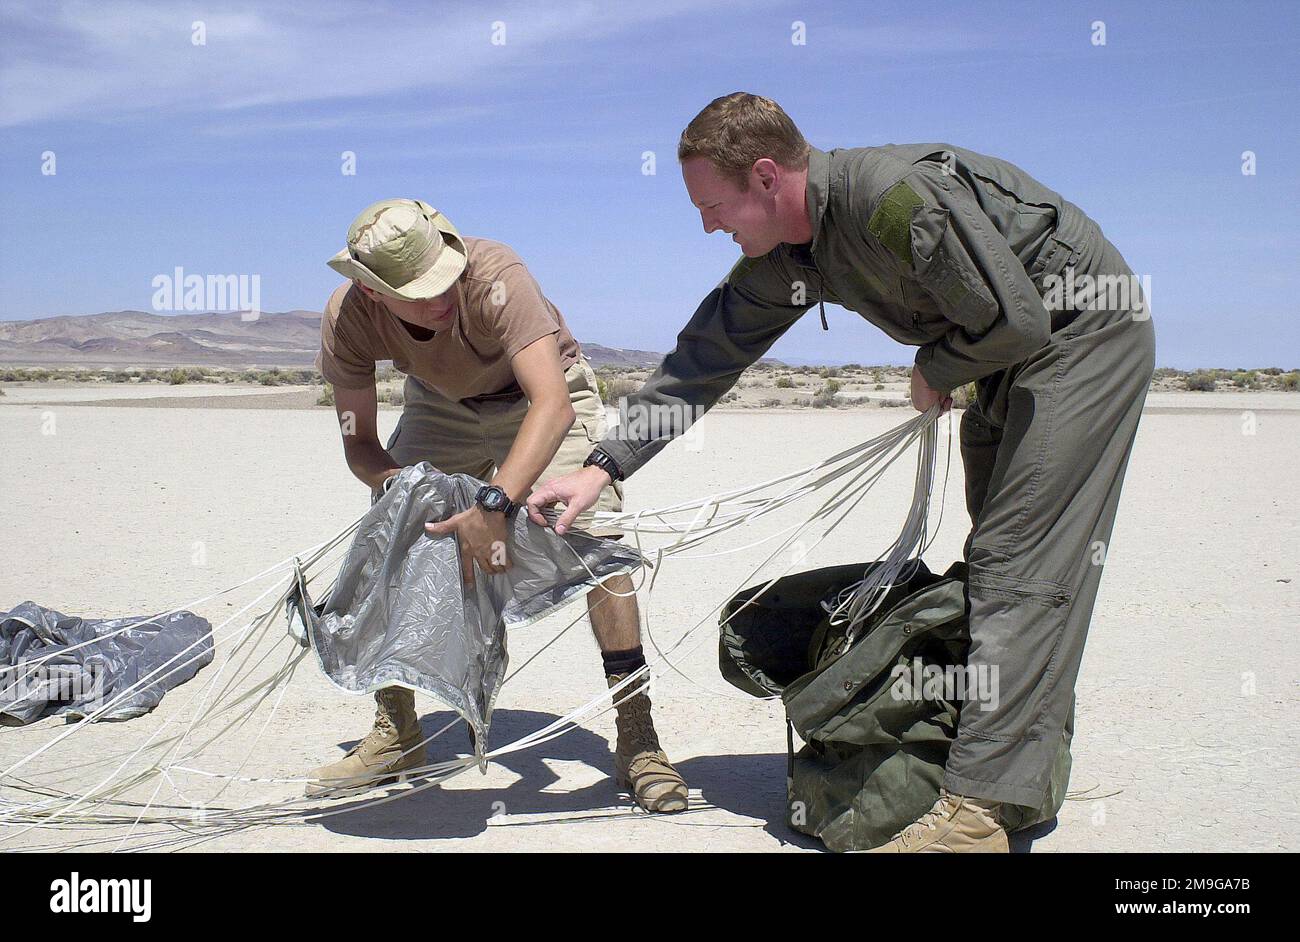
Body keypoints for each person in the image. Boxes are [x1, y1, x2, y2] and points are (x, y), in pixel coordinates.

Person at [528, 94, 1155, 851]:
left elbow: (1016, 318)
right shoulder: (787, 259)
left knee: (1020, 563)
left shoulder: (890, 201)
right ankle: (1020, 779)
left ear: (765, 177)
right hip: (1003, 357)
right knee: (1001, 571)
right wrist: (602, 468)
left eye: (713, 205)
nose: (707, 225)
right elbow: (705, 359)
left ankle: (976, 814)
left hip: (1079, 334)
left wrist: (938, 367)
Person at [304, 198, 687, 813]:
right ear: (373, 293)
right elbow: (360, 443)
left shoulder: (495, 276)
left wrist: (493, 503)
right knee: (396, 537)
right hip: (440, 405)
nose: (442, 298)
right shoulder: (347, 320)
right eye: (420, 295)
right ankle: (397, 731)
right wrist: (395, 488)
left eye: (443, 277)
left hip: (537, 397)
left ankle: (637, 737)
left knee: (599, 547)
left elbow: (553, 405)